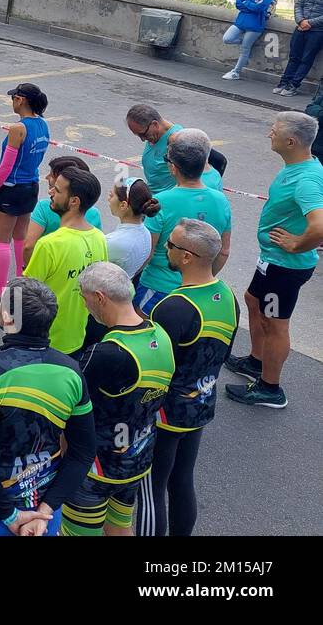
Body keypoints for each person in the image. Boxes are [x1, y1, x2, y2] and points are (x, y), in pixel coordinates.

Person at [0, 278, 96, 536]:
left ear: (8, 317)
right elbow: (84, 452)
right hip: (43, 508)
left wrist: (10, 516)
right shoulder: (71, 371)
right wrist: (46, 510)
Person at [139, 219, 238, 536]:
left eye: (170, 244)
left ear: (186, 257)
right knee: (182, 480)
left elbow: (154, 371)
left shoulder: (172, 308)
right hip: (200, 404)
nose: (164, 248)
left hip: (165, 415)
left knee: (152, 489)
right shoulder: (229, 297)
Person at [61, 262, 174, 537]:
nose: (84, 304)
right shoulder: (161, 335)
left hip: (95, 467)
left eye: (83, 297)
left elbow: (70, 412)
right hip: (136, 457)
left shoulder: (105, 354)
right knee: (120, 527)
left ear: (99, 298)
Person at [225, 110, 323, 409]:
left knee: (275, 323)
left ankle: (270, 388)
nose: (270, 133)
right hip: (272, 260)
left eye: (274, 130)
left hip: (284, 267)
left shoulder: (306, 179)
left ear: (291, 140)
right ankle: (256, 361)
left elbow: (319, 225)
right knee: (253, 300)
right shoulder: (298, 166)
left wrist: (297, 245)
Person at [136, 129, 232, 316]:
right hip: (197, 291)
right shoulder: (221, 201)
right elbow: (224, 251)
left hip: (158, 287)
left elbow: (146, 252)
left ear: (173, 168)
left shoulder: (160, 201)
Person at [22, 166, 108, 355]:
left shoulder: (49, 245)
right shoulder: (99, 239)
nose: (51, 192)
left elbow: (25, 296)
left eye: (58, 190)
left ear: (74, 201)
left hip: (42, 339)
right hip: (76, 338)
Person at [0, 82, 50, 306]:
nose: (12, 102)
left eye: (13, 98)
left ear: (21, 100)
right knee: (20, 239)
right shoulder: (43, 125)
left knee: (1, 242)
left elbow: (6, 166)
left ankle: (0, 293)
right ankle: (21, 284)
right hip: (31, 186)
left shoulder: (18, 129)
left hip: (11, 188)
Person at [125, 104, 224, 194]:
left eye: (143, 134)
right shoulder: (155, 134)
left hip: (165, 204)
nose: (142, 139)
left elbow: (218, 160)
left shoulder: (176, 140)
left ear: (155, 124)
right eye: (138, 135)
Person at [22, 155, 106, 257]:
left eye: (52, 175)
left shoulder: (44, 208)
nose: (47, 177)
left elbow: (29, 246)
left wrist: (27, 268)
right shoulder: (94, 214)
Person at [272, 0, 323, 95]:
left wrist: (309, 23)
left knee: (306, 58)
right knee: (294, 56)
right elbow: (298, 5)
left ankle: (293, 85)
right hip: (300, 27)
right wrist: (300, 21)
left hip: (317, 31)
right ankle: (284, 82)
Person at [222, 0, 275, 80]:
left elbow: (261, 7)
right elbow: (238, 3)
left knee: (245, 50)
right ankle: (243, 43)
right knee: (227, 38)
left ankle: (236, 72)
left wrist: (247, 4)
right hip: (241, 21)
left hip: (255, 25)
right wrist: (251, 6)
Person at [104, 177, 161, 281]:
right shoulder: (146, 233)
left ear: (123, 205)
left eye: (111, 195)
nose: (108, 199)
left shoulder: (114, 242)